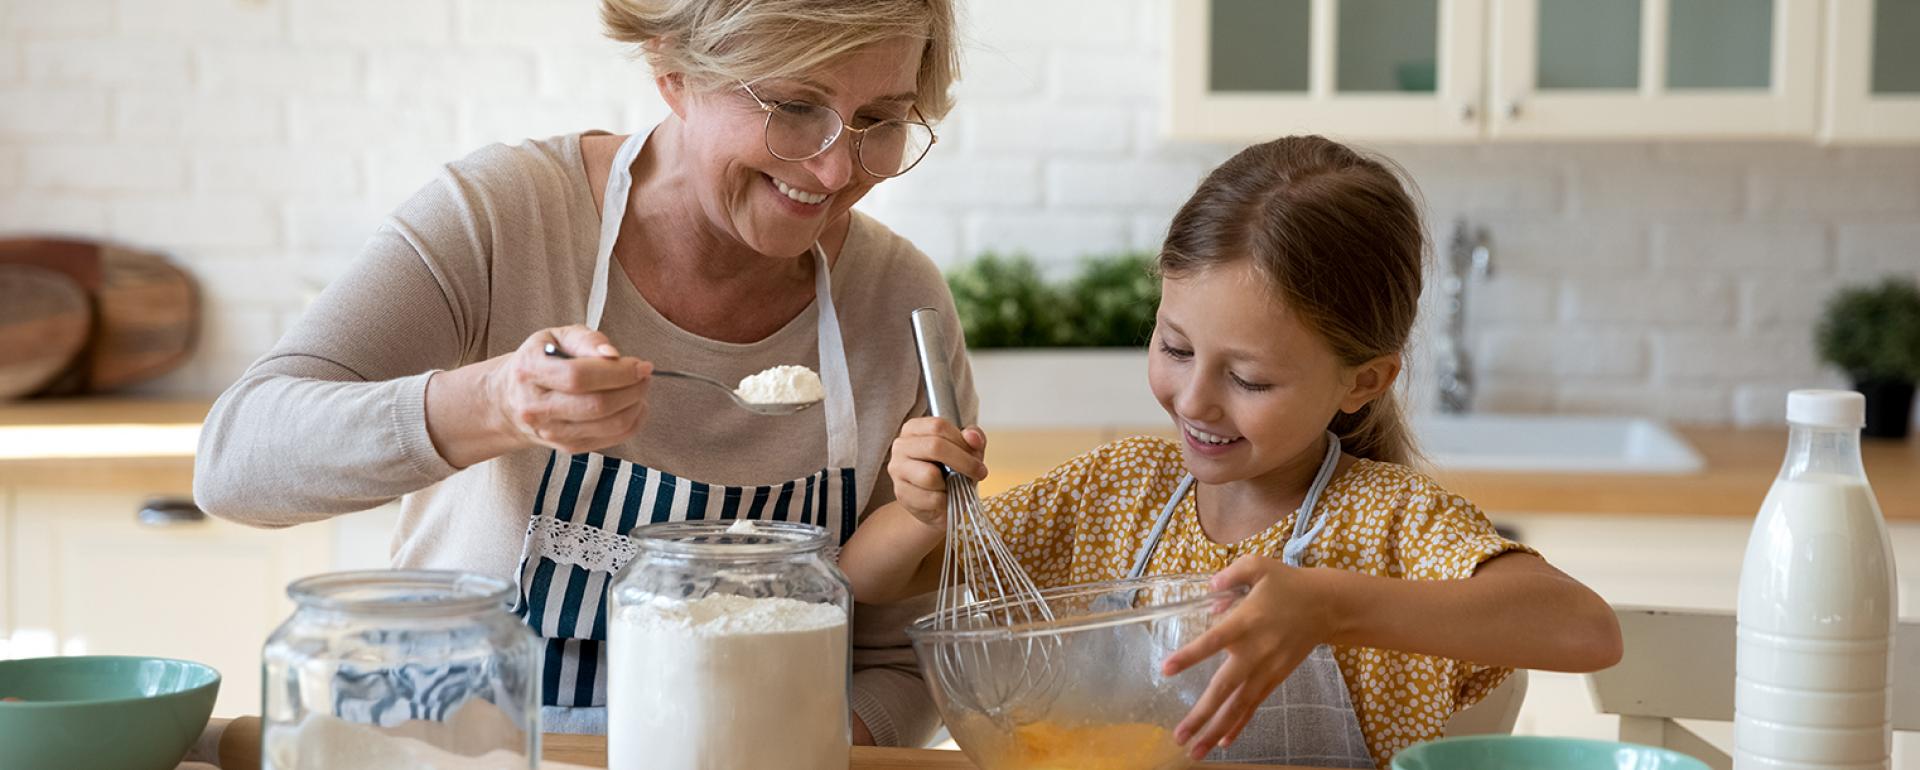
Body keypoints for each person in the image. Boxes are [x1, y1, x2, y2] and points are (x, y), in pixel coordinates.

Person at [195, 0, 967, 745]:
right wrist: (495, 403)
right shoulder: (507, 216)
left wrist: (787, 746)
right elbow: (237, 460)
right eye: (796, 106)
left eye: (880, 120)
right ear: (675, 74)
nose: (835, 170)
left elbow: (905, 656)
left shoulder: (901, 304)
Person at [840, 135, 1625, 767]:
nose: (1195, 401)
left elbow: (1586, 629)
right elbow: (867, 580)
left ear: (1362, 382)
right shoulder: (1114, 492)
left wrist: (1327, 605)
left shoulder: (1386, 522)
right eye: (1176, 349)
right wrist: (919, 511)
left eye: (1248, 378)